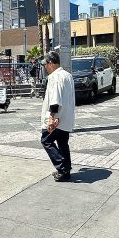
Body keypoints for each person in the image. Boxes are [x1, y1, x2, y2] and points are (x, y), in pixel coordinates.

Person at [40, 50, 76, 181]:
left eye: (45, 64)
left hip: (57, 119)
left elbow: (55, 99)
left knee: (46, 140)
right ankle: (65, 172)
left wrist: (51, 118)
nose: (44, 67)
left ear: (51, 63)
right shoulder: (67, 75)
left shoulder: (55, 77)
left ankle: (62, 167)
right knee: (62, 144)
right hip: (66, 117)